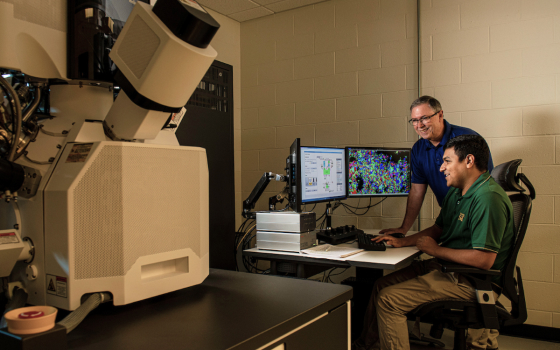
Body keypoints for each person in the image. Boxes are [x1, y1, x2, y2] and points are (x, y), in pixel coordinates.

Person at [353, 135, 514, 350]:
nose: (441, 169)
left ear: (469, 161)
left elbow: (484, 260)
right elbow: (439, 229)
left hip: (471, 281)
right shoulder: (457, 191)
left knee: (389, 300)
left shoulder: (487, 198)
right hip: (449, 269)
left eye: (447, 161)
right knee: (380, 285)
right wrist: (404, 241)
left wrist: (435, 250)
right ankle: (369, 345)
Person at [380, 96, 493, 236]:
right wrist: (404, 229)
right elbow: (416, 191)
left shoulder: (467, 139)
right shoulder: (418, 149)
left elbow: (486, 183)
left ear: (440, 115)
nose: (419, 125)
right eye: (414, 120)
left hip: (474, 218)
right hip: (449, 219)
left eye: (424, 118)